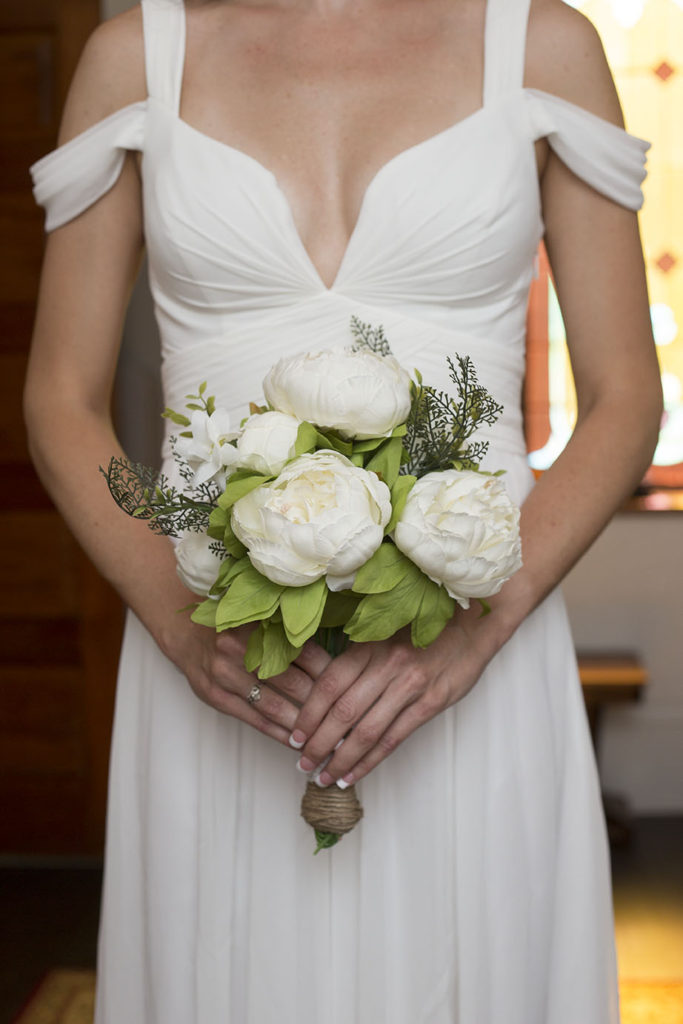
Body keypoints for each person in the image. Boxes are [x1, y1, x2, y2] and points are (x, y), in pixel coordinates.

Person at [25, 0, 662, 1021]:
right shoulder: (133, 53)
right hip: (224, 664)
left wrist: (469, 639)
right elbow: (60, 398)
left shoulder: (543, 46)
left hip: (470, 656)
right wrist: (179, 621)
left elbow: (627, 396)